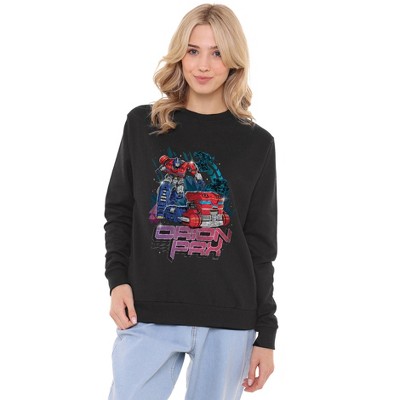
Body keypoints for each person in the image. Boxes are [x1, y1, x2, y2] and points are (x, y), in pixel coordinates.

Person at [104, 4, 278, 399]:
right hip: (148, 311)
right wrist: (117, 282)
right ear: (179, 54)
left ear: (234, 61)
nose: (203, 65)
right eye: (193, 50)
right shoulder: (143, 125)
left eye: (217, 52)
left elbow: (260, 245)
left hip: (229, 318)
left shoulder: (257, 144)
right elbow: (120, 211)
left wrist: (266, 334)